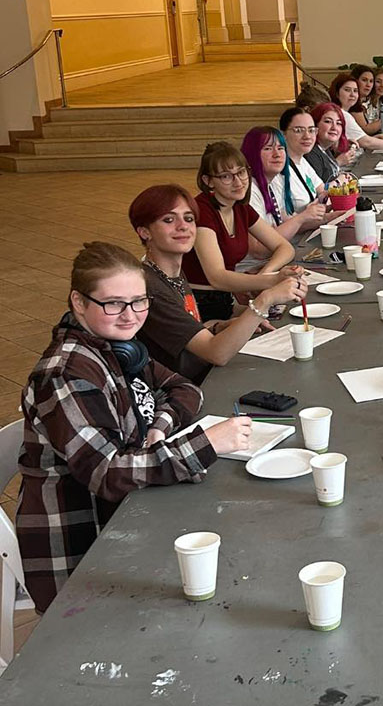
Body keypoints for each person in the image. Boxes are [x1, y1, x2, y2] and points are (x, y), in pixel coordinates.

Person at [17, 241, 254, 612]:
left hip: (129, 515)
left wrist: (157, 428)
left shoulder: (120, 348)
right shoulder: (66, 374)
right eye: (113, 303)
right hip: (83, 554)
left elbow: (184, 388)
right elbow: (107, 474)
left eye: (139, 301)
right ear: (78, 302)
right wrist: (205, 443)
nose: (130, 315)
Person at [130, 185, 306, 383]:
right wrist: (265, 300)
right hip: (188, 389)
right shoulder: (150, 288)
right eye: (169, 220)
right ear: (145, 232)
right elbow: (216, 354)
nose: (183, 226)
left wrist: (218, 327)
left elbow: (187, 334)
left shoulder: (174, 273)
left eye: (189, 218)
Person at [182, 142, 299, 320]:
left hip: (224, 298)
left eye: (241, 172)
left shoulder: (239, 207)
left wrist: (265, 273)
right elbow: (217, 277)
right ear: (208, 181)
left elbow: (285, 247)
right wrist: (271, 280)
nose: (238, 182)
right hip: (200, 306)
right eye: (226, 176)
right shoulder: (201, 212)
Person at [242, 124, 330, 247]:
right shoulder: (248, 191)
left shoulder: (274, 183)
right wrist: (302, 217)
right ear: (251, 154)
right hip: (260, 265)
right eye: (267, 148)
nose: (277, 154)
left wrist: (329, 217)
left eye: (281, 148)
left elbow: (289, 223)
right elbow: (259, 248)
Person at [331, 72, 383, 153]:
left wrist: (375, 138)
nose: (352, 94)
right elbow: (367, 142)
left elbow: (359, 140)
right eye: (347, 90)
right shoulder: (341, 114)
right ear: (337, 93)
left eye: (355, 91)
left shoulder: (344, 113)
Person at [306, 101, 360, 183]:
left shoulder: (325, 149)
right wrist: (338, 180)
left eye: (338, 123)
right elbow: (317, 191)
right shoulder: (311, 153)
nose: (334, 127)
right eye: (328, 121)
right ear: (315, 125)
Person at [349, 64, 382, 134]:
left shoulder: (367, 100)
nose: (368, 85)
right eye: (364, 80)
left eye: (371, 81)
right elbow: (367, 130)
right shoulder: (352, 102)